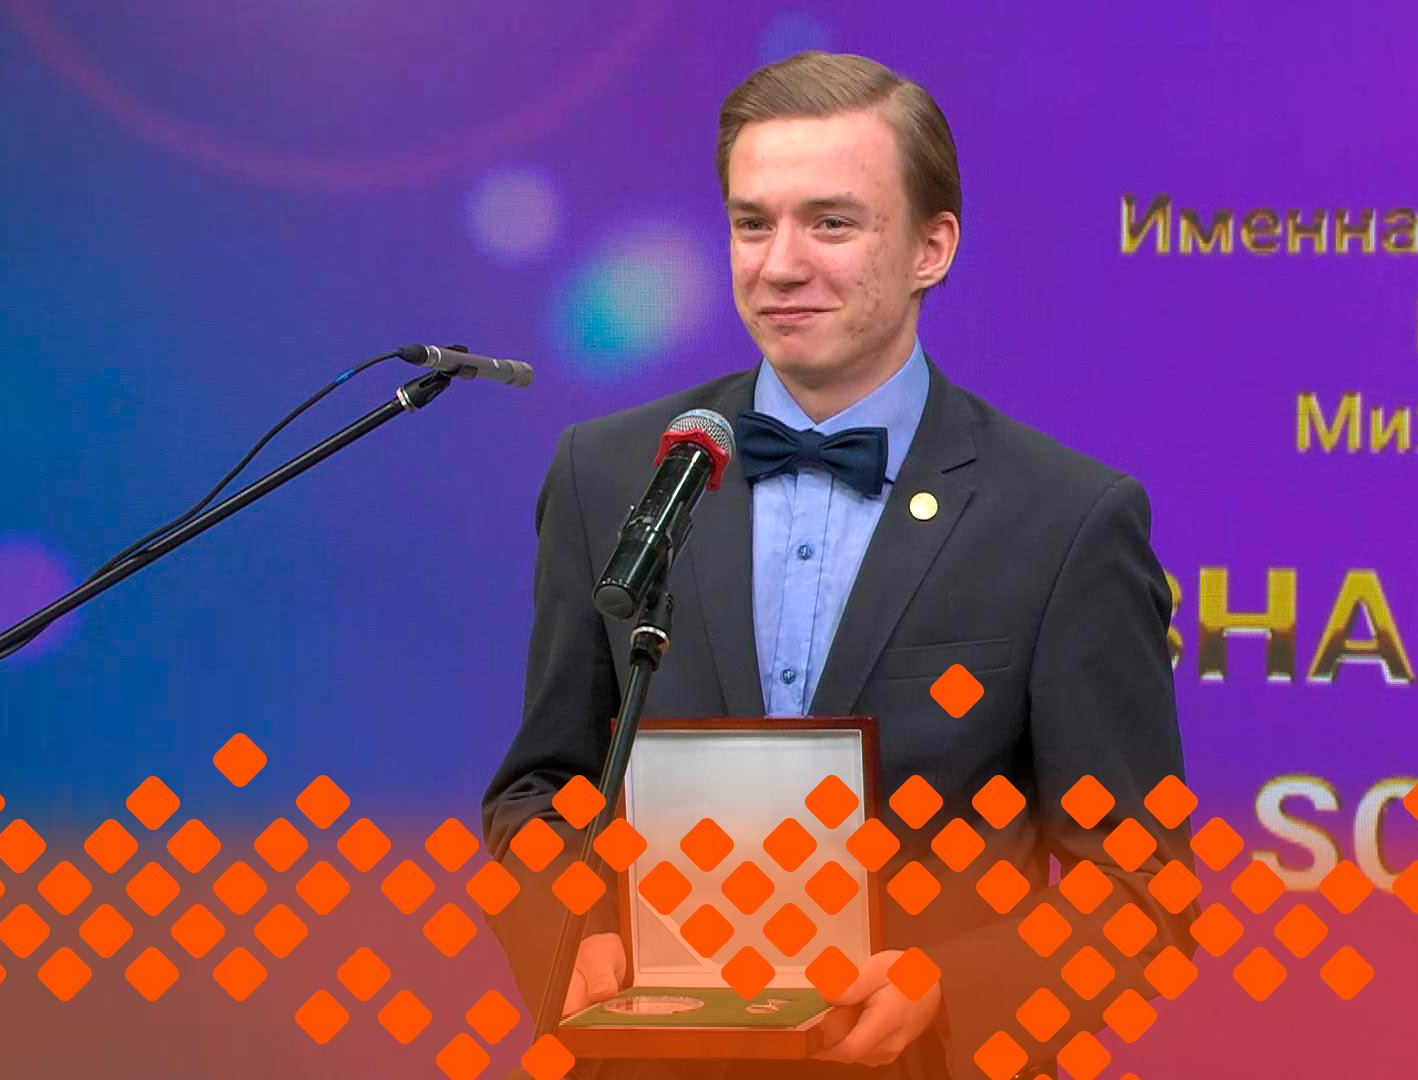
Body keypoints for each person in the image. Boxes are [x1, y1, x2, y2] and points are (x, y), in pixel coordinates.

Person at [482, 51, 1194, 1080]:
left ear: (930, 247)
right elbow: (542, 788)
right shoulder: (610, 473)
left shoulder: (1067, 519)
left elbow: (1139, 893)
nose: (779, 264)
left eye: (831, 223)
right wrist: (571, 933)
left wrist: (949, 991)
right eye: (752, 223)